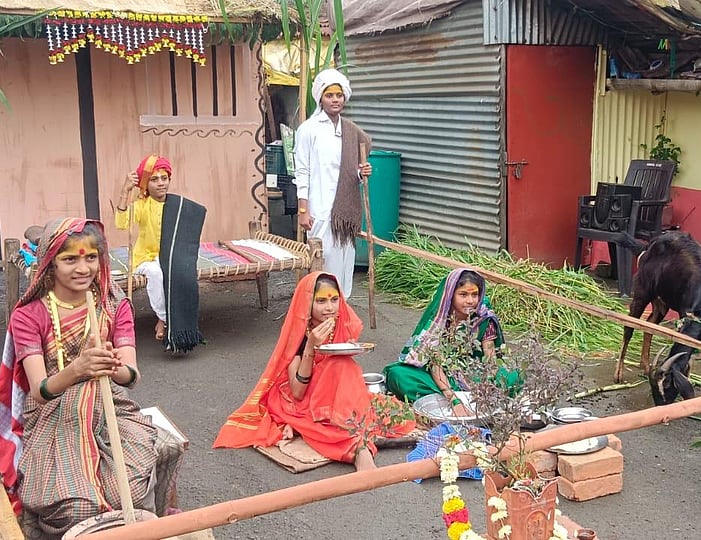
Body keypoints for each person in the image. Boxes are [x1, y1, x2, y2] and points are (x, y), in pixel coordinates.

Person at [0, 218, 183, 537]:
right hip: (54, 415)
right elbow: (39, 391)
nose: (83, 268)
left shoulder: (114, 306)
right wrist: (77, 369)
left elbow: (131, 377)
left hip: (111, 409)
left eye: (91, 257)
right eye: (70, 259)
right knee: (76, 504)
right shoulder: (29, 315)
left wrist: (111, 365)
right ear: (50, 264)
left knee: (130, 492)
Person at [214, 272, 415, 472]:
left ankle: (343, 428)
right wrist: (310, 346)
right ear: (307, 304)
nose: (329, 307)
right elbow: (297, 392)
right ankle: (360, 449)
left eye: (334, 299)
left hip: (335, 394)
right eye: (321, 301)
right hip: (304, 399)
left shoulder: (341, 323)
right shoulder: (298, 334)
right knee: (341, 371)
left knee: (396, 413)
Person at [383, 269, 518, 408]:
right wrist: (453, 399)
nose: (470, 301)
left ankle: (441, 400)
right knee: (398, 375)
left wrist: (485, 387)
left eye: (475, 295)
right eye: (463, 295)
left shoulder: (483, 318)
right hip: (441, 376)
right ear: (450, 295)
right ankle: (450, 399)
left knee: (513, 376)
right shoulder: (439, 321)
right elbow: (435, 365)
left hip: (475, 374)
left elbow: (490, 360)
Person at [294, 69, 373, 299]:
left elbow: (349, 170)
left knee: (345, 260)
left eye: (339, 95)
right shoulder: (309, 129)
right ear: (320, 98)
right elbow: (302, 170)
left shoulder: (349, 130)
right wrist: (303, 209)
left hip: (344, 212)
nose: (335, 100)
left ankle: (341, 306)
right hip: (319, 209)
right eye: (329, 95)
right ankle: (320, 306)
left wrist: (361, 172)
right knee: (323, 260)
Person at [115, 155, 173, 341]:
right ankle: (165, 319)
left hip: (169, 256)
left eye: (164, 178)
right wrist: (125, 191)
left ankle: (172, 319)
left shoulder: (176, 204)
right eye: (154, 179)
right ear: (146, 184)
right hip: (145, 259)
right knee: (156, 272)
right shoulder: (141, 205)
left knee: (180, 272)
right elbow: (121, 224)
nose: (160, 183)